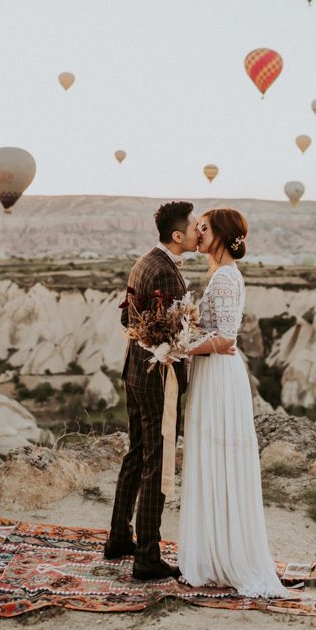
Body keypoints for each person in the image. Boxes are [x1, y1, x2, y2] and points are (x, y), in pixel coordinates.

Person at [105, 201, 236, 580]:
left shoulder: (146, 261)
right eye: (195, 226)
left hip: (134, 368)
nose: (199, 231)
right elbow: (171, 337)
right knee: (156, 462)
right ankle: (146, 556)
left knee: (136, 453)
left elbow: (127, 317)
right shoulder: (166, 273)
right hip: (156, 377)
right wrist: (206, 342)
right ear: (178, 235)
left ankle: (118, 537)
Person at [178, 207, 284, 597]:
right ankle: (216, 552)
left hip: (219, 376)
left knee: (215, 459)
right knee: (215, 461)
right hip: (216, 376)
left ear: (221, 235)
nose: (198, 233)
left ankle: (221, 558)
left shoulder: (224, 277)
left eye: (204, 228)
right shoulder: (223, 275)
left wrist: (180, 348)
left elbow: (225, 339)